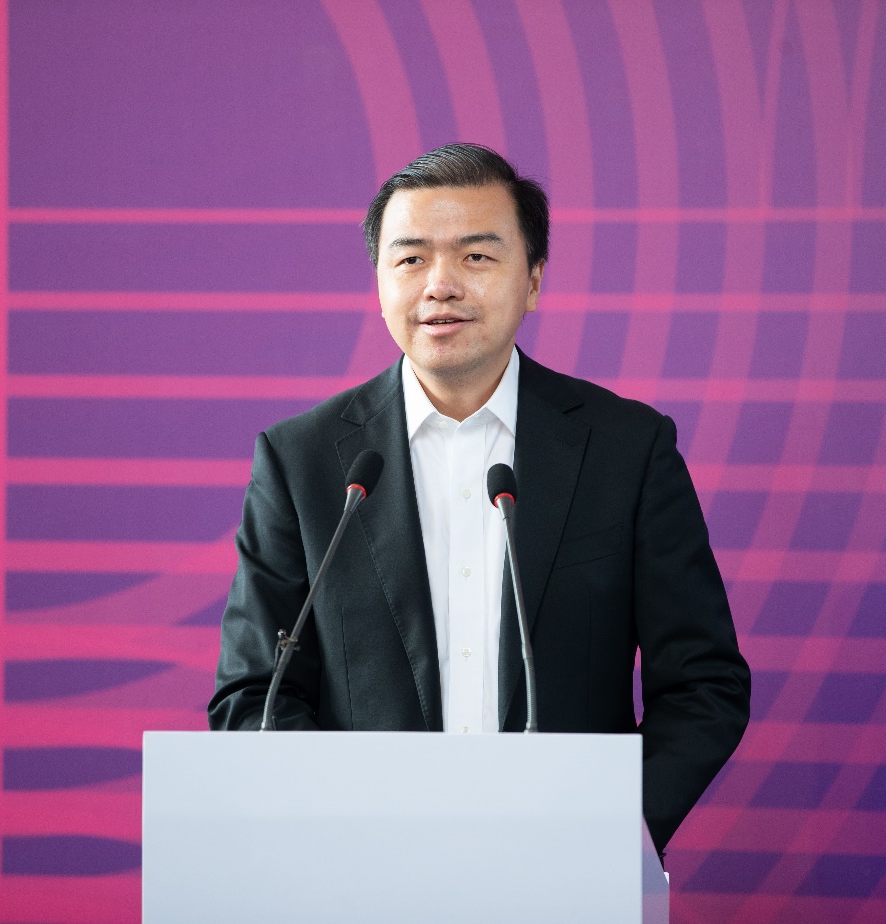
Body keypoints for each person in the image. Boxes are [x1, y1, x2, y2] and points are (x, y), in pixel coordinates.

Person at [208, 143, 749, 854]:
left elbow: (704, 684)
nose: (440, 285)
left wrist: (611, 832)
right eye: (411, 259)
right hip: (363, 873)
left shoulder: (625, 450)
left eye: (476, 256)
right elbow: (253, 696)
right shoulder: (301, 461)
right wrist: (342, 833)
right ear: (379, 282)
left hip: (565, 871)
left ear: (533, 279)